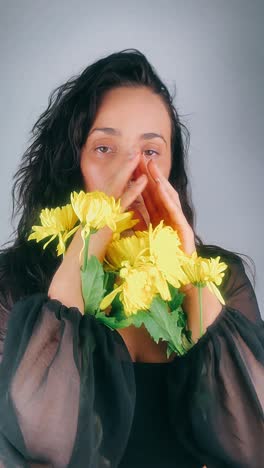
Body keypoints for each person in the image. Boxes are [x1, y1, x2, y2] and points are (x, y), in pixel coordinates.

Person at [0, 48, 263, 468]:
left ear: (171, 168)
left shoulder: (222, 278)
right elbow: (44, 451)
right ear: (74, 162)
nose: (132, 171)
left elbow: (252, 444)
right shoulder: (12, 285)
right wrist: (85, 252)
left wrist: (190, 268)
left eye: (151, 152)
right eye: (105, 149)